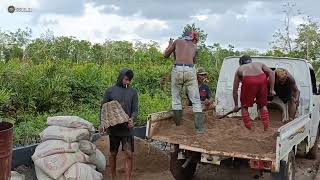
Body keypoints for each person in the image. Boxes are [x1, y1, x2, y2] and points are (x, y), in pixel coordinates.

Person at [99, 68, 138, 180]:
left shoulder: (133, 92)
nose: (127, 82)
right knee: (113, 154)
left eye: (129, 80)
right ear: (121, 77)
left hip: (127, 129)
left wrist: (132, 119)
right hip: (114, 129)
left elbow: (135, 109)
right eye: (126, 79)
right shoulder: (110, 91)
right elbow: (103, 109)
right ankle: (113, 177)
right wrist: (102, 124)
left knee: (129, 154)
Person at [163, 31, 204, 134]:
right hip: (190, 70)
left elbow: (165, 55)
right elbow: (194, 61)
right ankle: (199, 130)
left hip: (177, 69)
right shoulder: (195, 46)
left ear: (183, 37)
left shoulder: (177, 42)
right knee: (195, 100)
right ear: (191, 38)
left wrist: (170, 44)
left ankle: (178, 125)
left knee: (176, 98)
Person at [232, 55, 275, 131]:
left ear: (241, 63)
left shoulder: (239, 69)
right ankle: (266, 128)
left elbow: (235, 90)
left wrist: (236, 105)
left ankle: (248, 129)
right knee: (262, 105)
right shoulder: (259, 64)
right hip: (262, 79)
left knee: (244, 107)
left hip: (249, 81)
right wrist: (272, 89)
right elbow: (271, 72)